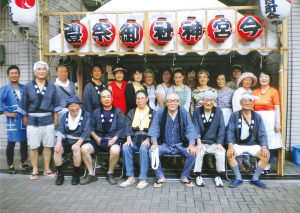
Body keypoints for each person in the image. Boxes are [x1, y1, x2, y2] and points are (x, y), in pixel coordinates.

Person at [18, 61, 61, 180]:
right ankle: (35, 169)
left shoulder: (52, 86)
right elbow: (24, 103)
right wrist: (25, 119)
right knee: (33, 146)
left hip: (48, 119)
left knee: (48, 145)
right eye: (39, 69)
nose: (41, 71)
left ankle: (47, 169)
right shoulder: (28, 86)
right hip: (33, 119)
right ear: (34, 71)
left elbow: (55, 103)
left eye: (43, 69)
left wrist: (56, 118)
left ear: (47, 71)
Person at [148, 93, 198, 188]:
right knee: (152, 152)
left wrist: (191, 144)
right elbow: (155, 127)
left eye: (175, 101)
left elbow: (190, 128)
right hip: (165, 144)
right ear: (166, 102)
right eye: (169, 101)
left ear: (178, 102)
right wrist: (154, 142)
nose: (172, 103)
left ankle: (184, 176)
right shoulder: (161, 111)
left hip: (181, 145)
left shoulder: (183, 111)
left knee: (193, 152)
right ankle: (160, 177)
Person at [81, 89, 125, 185]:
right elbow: (91, 127)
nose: (106, 99)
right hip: (98, 139)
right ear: (100, 100)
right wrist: (97, 138)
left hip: (113, 139)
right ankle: (91, 173)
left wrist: (113, 140)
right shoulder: (96, 112)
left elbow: (121, 128)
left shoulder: (118, 112)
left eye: (108, 96)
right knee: (84, 148)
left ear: (112, 98)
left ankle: (110, 172)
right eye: (104, 97)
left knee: (115, 150)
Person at [226, 92, 270, 189]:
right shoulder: (234, 115)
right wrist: (230, 147)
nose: (247, 102)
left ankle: (255, 178)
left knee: (266, 156)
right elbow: (230, 132)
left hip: (253, 144)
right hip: (238, 144)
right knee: (230, 155)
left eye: (250, 100)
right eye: (244, 100)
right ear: (240, 102)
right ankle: (238, 178)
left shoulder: (257, 116)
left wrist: (264, 147)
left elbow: (262, 132)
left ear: (253, 103)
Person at [120, 90, 156, 189]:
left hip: (146, 138)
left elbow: (154, 128)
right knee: (126, 148)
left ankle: (143, 178)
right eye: (138, 98)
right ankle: (130, 177)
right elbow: (127, 126)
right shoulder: (131, 112)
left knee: (144, 149)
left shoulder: (153, 112)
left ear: (147, 99)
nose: (140, 101)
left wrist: (149, 139)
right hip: (134, 138)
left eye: (142, 98)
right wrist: (128, 138)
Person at [54, 96, 91, 185]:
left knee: (76, 150)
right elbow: (60, 130)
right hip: (67, 140)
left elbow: (86, 131)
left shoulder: (86, 115)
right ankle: (60, 174)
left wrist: (78, 144)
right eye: (70, 105)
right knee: (57, 150)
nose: (73, 108)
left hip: (80, 140)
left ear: (79, 106)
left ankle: (76, 174)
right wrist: (58, 143)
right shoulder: (64, 116)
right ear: (67, 107)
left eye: (76, 105)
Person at [0, 65, 30, 174]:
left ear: (19, 74)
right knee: (11, 143)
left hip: (23, 118)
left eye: (16, 73)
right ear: (8, 75)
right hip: (13, 119)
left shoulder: (24, 87)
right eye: (12, 73)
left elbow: (28, 101)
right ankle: (10, 165)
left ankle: (24, 162)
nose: (14, 75)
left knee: (24, 141)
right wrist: (6, 113)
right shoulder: (5, 89)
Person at [192, 91, 226, 187]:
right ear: (202, 100)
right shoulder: (197, 111)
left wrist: (219, 143)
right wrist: (198, 143)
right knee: (199, 152)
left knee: (221, 152)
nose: (208, 102)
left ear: (214, 101)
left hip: (214, 142)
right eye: (206, 100)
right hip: (201, 142)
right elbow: (195, 127)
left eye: (211, 100)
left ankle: (218, 176)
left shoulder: (218, 111)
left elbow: (221, 128)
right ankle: (198, 175)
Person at [253, 71, 283, 174]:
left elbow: (277, 108)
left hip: (270, 118)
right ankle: (259, 164)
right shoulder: (255, 91)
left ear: (269, 79)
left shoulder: (274, 91)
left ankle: (267, 165)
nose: (264, 78)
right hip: (257, 118)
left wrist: (278, 123)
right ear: (259, 79)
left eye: (266, 77)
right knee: (258, 141)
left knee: (269, 142)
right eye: (262, 77)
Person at [231, 72, 257, 170]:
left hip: (251, 118)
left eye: (249, 80)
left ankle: (247, 160)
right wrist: (241, 117)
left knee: (249, 138)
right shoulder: (238, 92)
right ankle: (239, 161)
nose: (247, 82)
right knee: (239, 139)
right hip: (240, 118)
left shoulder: (252, 91)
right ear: (241, 81)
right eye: (245, 80)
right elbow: (236, 106)